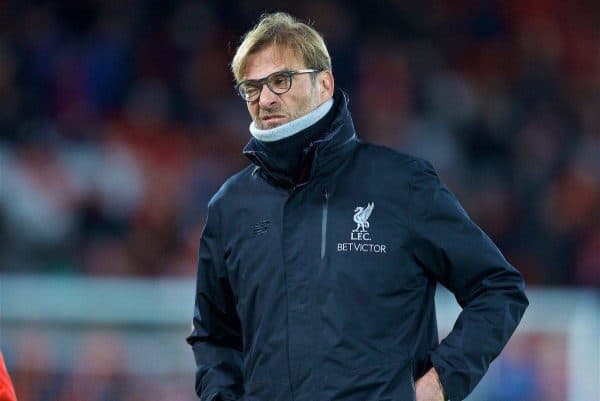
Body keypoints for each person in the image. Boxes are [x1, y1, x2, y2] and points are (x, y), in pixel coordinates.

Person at [186, 12, 528, 401]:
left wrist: (440, 383)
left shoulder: (402, 185)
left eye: (281, 80)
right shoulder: (230, 207)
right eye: (251, 88)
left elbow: (498, 287)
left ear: (324, 83)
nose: (265, 99)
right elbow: (214, 337)